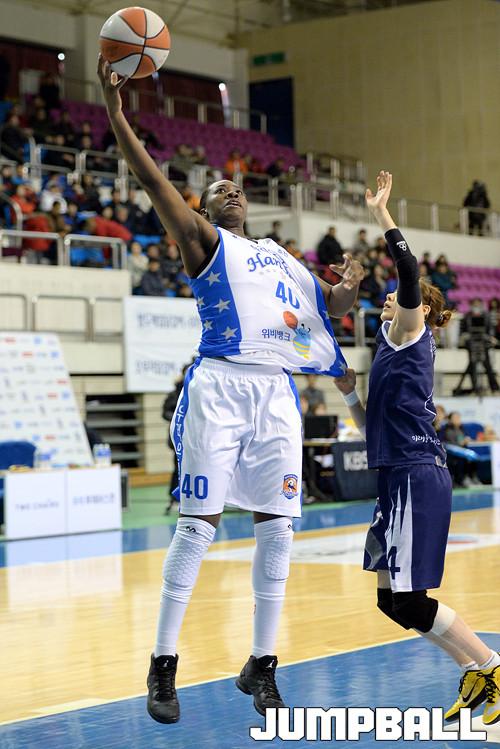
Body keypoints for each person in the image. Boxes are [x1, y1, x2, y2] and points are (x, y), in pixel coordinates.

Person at [97, 55, 364, 725]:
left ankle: (262, 664)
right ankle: (163, 663)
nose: (230, 190)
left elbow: (328, 306)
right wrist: (117, 113)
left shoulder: (278, 256)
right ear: (208, 208)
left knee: (279, 528)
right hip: (219, 386)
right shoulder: (202, 240)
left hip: (277, 393)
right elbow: (150, 177)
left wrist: (349, 289)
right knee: (198, 527)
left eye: (236, 187)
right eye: (218, 189)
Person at [334, 170, 500, 727]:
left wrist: (382, 213)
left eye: (398, 298)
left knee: (409, 599)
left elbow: (407, 271)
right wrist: (349, 393)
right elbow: (369, 429)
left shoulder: (410, 332)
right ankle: (475, 670)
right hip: (395, 473)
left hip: (415, 473)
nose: (389, 299)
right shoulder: (387, 349)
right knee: (391, 601)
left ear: (420, 310)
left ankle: (492, 666)